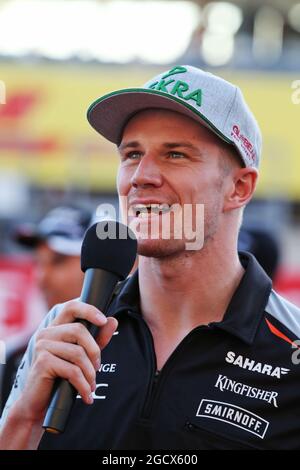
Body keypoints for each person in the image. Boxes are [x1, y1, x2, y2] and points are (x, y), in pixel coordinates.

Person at [1, 65, 300, 450]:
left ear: (239, 187)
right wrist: (24, 417)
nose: (141, 176)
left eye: (175, 154)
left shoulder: (290, 350)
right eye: (131, 154)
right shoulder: (62, 331)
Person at [0, 206, 92, 413]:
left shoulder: (139, 342)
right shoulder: (17, 354)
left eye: (58, 261)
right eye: (39, 263)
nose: (42, 278)